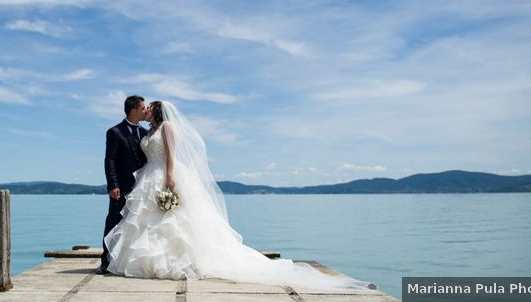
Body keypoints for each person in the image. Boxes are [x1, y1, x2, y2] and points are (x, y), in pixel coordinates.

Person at [103, 100, 376, 291]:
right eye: (144, 107)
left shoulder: (168, 128)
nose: (146, 110)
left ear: (158, 111)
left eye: (150, 107)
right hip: (147, 178)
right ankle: (144, 261)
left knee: (174, 220)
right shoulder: (146, 130)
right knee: (148, 222)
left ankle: (179, 261)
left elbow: (172, 155)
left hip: (165, 174)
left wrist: (171, 176)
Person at [98, 95, 150, 274]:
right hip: (120, 186)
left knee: (138, 224)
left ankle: (128, 261)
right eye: (143, 108)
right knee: (113, 221)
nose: (145, 111)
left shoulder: (145, 133)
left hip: (143, 186)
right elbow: (110, 160)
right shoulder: (115, 132)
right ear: (133, 110)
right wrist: (112, 185)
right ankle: (105, 261)